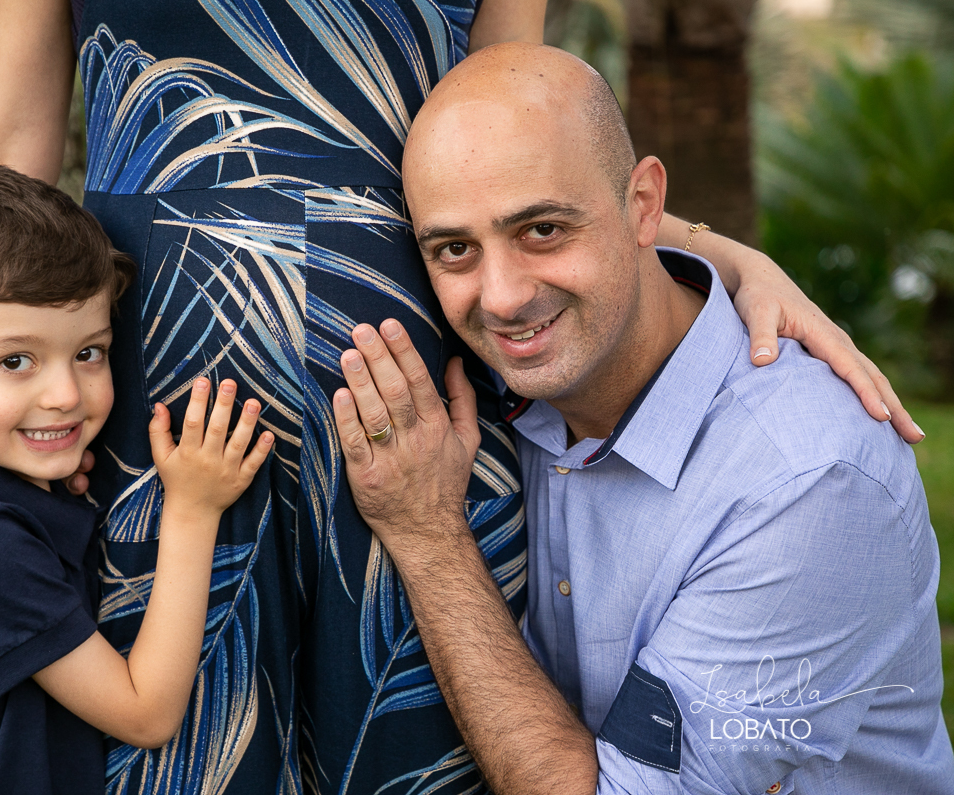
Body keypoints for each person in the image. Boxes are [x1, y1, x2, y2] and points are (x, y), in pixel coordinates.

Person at [0, 0, 921, 792]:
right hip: (161, 377)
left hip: (408, 375)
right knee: (182, 737)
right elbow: (12, 142)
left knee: (421, 724)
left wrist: (710, 254)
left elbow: (518, 117)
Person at [333, 42, 953, 794]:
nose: (499, 297)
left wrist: (428, 537)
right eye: (455, 248)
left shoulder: (806, 483)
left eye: (542, 230)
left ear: (644, 206)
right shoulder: (488, 394)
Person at [0, 163, 273, 794]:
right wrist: (192, 512)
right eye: (15, 361)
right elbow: (145, 713)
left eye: (89, 352)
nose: (65, 395)